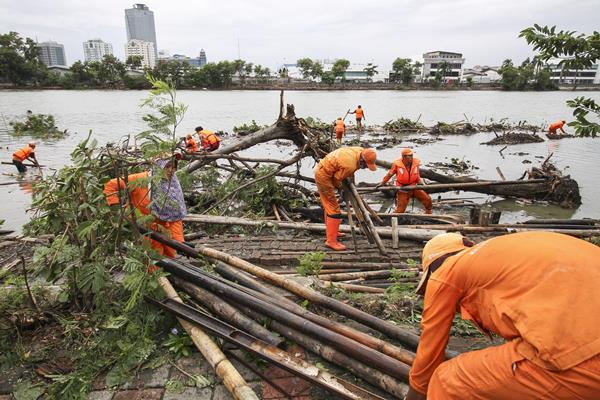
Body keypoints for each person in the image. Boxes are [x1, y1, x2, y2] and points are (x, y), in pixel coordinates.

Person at [405, 231, 600, 400]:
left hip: (582, 357)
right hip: (583, 345)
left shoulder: (446, 272)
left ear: (432, 267)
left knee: (447, 381)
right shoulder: (506, 254)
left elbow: (427, 359)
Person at [103, 156, 187, 261]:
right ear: (158, 166)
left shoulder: (173, 184)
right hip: (146, 227)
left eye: (173, 167)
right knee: (154, 259)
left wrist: (179, 241)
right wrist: (117, 209)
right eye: (167, 166)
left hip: (165, 230)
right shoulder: (140, 180)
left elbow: (175, 215)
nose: (171, 170)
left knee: (170, 258)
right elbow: (110, 186)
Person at [314, 147, 377, 251]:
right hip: (323, 175)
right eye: (366, 165)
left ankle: (332, 232)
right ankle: (331, 241)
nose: (365, 168)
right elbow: (336, 179)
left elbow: (348, 173)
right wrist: (341, 189)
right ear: (362, 160)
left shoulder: (359, 151)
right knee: (334, 210)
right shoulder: (349, 165)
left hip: (326, 168)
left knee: (329, 206)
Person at [378, 148, 432, 214]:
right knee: (400, 210)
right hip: (402, 189)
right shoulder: (397, 164)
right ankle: (393, 218)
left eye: (412, 155)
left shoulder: (415, 163)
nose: (412, 157)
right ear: (404, 157)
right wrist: (383, 183)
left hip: (414, 187)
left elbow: (416, 174)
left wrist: (420, 183)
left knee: (427, 199)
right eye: (409, 156)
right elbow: (389, 174)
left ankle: (428, 212)